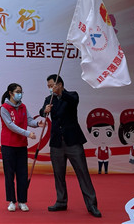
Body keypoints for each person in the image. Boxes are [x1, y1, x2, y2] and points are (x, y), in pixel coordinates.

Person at [41, 74, 102, 218]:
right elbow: (42, 112)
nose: (50, 89)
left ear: (60, 85)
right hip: (56, 142)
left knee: (82, 173)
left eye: (52, 85)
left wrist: (60, 93)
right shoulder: (49, 99)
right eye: (48, 86)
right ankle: (61, 201)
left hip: (73, 141)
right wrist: (45, 111)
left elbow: (73, 101)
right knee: (58, 174)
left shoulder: (72, 95)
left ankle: (92, 205)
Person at [0, 83, 41, 212]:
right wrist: (27, 133)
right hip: (8, 146)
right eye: (17, 92)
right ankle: (12, 201)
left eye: (21, 92)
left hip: (21, 145)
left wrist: (37, 124)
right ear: (10, 93)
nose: (20, 94)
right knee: (9, 174)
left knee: (22, 174)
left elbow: (29, 120)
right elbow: (10, 125)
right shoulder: (4, 108)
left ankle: (22, 201)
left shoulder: (23, 107)